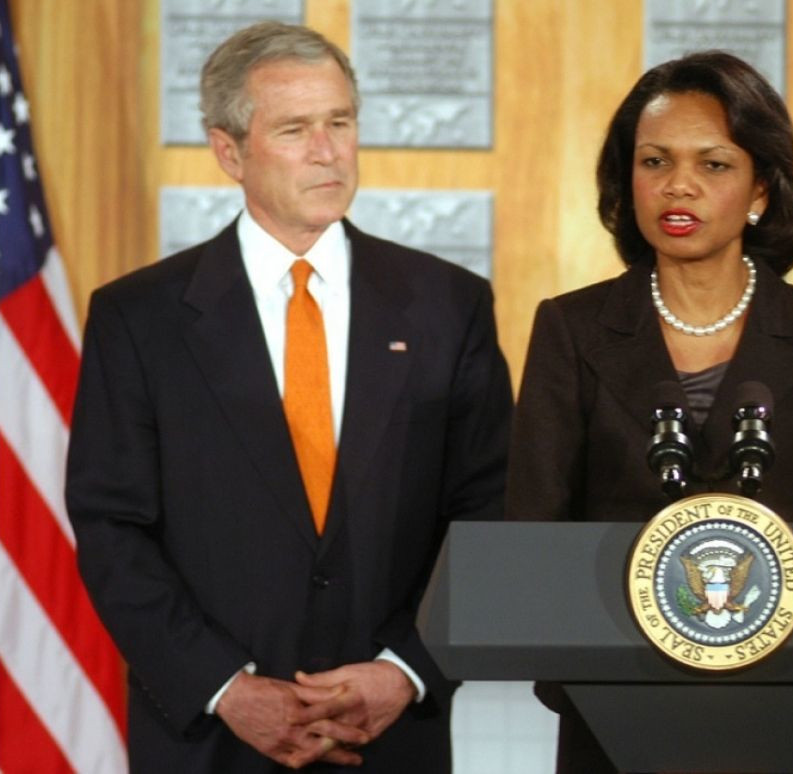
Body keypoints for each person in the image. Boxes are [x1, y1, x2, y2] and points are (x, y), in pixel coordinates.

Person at [66, 21, 512, 773]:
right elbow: (112, 528)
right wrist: (226, 688)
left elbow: (490, 510)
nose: (328, 150)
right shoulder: (138, 318)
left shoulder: (448, 305)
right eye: (296, 128)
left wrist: (406, 669)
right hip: (210, 741)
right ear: (228, 151)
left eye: (340, 123)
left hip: (391, 737)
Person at [505, 51, 793, 774]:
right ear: (628, 181)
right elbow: (535, 536)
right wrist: (590, 692)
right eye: (654, 162)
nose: (678, 185)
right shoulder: (571, 329)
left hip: (788, 717)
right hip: (612, 719)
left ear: (761, 190)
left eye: (713, 165)